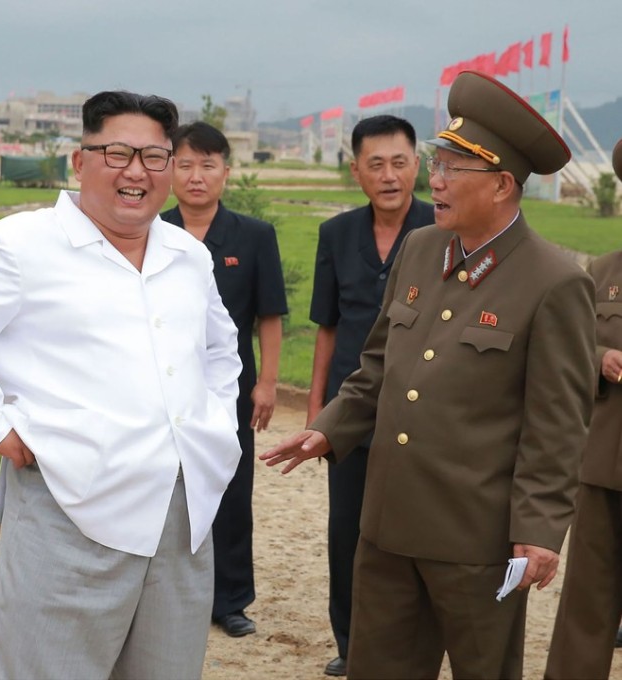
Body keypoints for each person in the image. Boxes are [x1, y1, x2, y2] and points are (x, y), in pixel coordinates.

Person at [261, 70, 597, 679]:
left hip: (477, 540)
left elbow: (558, 423)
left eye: (450, 170)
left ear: (500, 185)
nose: (433, 181)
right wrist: (329, 428)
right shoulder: (420, 249)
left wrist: (541, 529)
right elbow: (378, 366)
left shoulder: (553, 282)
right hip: (387, 527)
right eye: (436, 164)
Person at [0, 91, 242, 680]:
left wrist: (212, 425)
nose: (136, 171)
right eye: (117, 153)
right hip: (70, 508)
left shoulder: (187, 255)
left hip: (180, 512)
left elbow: (221, 351)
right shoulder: (22, 244)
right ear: (79, 160)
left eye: (154, 156)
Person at [306, 115, 434, 677]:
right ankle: (351, 642)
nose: (388, 175)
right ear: (356, 171)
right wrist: (318, 407)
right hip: (351, 409)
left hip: (423, 409)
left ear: (418, 166)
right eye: (375, 164)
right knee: (347, 530)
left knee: (416, 529)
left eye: (399, 162)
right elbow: (327, 327)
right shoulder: (335, 236)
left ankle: (411, 643)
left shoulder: (443, 229)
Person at [160, 121, 287, 638]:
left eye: (207, 165)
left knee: (232, 490)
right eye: (185, 164)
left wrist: (269, 383)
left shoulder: (254, 237)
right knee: (167, 488)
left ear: (225, 174)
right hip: (165, 386)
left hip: (231, 389)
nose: (196, 176)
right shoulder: (151, 230)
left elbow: (270, 317)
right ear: (170, 170)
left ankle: (230, 599)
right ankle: (167, 596)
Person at [543, 139, 622, 680]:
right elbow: (570, 349)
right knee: (587, 604)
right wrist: (600, 357)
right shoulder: (603, 270)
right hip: (604, 465)